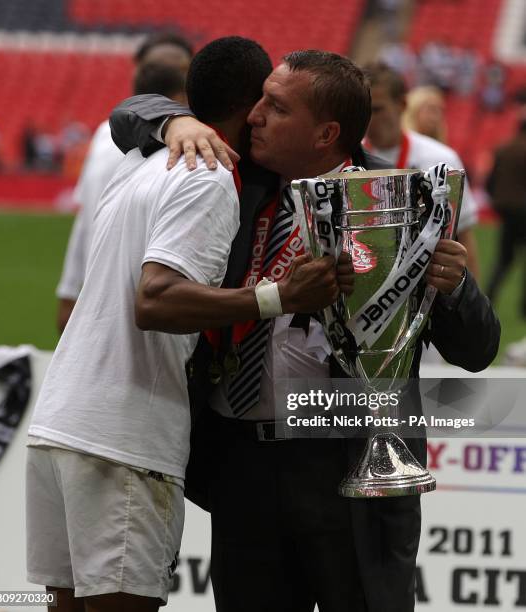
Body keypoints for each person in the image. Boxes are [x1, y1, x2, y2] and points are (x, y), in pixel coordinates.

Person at [110, 50, 500, 612]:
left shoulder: (396, 207)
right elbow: (127, 113)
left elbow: (479, 350)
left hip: (350, 466)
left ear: (326, 133)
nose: (254, 116)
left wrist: (455, 286)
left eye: (277, 107)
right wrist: (178, 120)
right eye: (261, 99)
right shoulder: (241, 179)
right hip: (243, 468)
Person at [26, 37, 344, 612]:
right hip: (124, 435)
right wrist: (277, 296)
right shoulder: (207, 174)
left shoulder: (141, 162)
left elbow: (134, 116)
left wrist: (171, 120)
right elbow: (158, 301)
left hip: (61, 424)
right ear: (249, 107)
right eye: (266, 102)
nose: (266, 115)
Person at [55, 33, 193, 333]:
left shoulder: (106, 133)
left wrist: (68, 296)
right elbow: (88, 220)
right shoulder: (193, 147)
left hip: (123, 311)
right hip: (153, 313)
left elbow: (85, 220)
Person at [363, 62, 480, 280]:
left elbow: (463, 237)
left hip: (424, 286)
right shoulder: (348, 156)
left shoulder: (440, 158)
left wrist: (471, 305)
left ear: (402, 104)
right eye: (362, 109)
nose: (369, 119)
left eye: (377, 109)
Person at [485, 117, 526, 317]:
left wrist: (497, 200)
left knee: (503, 260)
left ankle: (489, 298)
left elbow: (490, 180)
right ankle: (524, 309)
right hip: (524, 211)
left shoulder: (504, 148)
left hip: (506, 211)